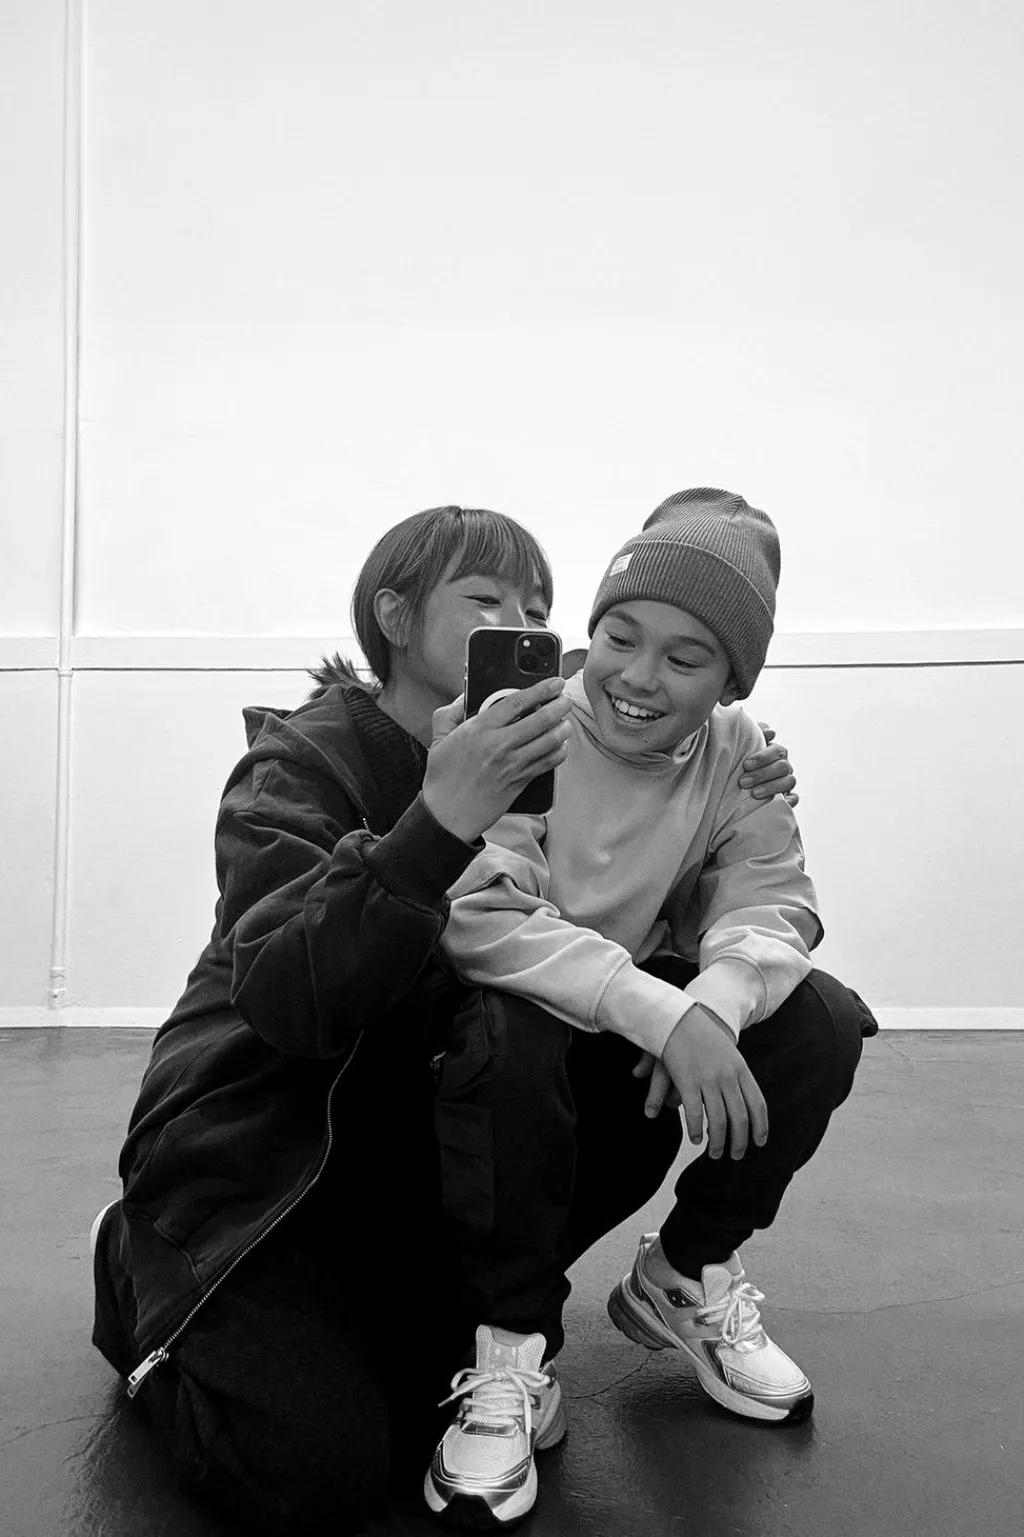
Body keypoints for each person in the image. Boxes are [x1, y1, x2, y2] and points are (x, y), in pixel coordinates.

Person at [89, 502, 797, 1536]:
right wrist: (439, 818)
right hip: (269, 1144)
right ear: (394, 614)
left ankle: (540, 1315)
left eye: (539, 608)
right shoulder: (301, 767)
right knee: (309, 1473)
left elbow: (657, 842)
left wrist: (731, 762)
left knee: (664, 1033)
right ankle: (132, 1266)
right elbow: (289, 1001)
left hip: (420, 1125)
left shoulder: (553, 739)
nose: (522, 626)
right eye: (486, 600)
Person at [425, 488, 877, 1527]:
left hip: (629, 1024)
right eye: (620, 637)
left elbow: (772, 899)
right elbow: (482, 918)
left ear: (731, 679)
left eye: (686, 657)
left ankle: (683, 1272)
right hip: (507, 1032)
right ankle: (510, 1348)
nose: (637, 676)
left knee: (820, 1023)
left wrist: (711, 1002)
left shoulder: (739, 752)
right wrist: (663, 1015)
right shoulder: (527, 721)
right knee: (505, 1030)